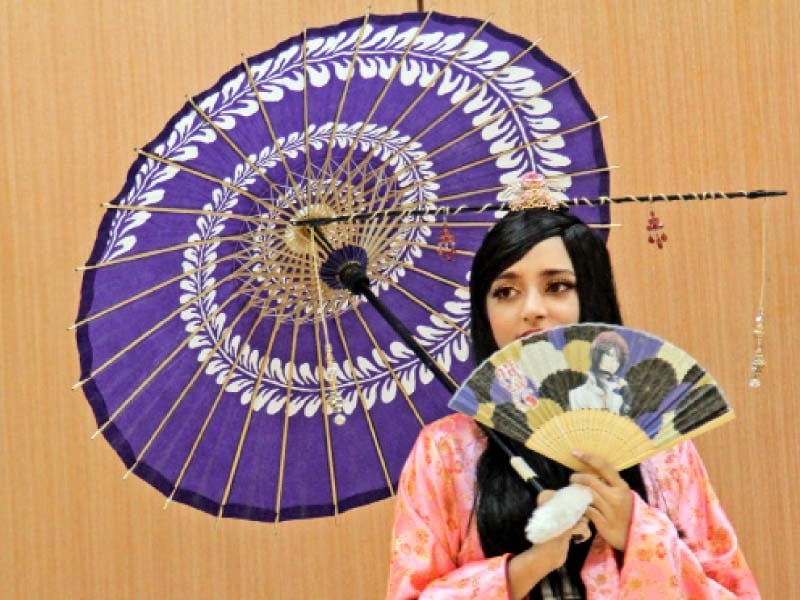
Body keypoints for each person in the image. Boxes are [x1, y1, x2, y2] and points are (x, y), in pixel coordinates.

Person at [386, 209, 759, 599]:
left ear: (592, 296)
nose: (531, 309)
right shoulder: (445, 453)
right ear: (484, 311)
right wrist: (531, 563)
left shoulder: (662, 449)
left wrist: (635, 531)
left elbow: (735, 593)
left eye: (557, 286)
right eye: (505, 292)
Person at [568, 331, 632, 415]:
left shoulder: (617, 400)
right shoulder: (577, 394)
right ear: (598, 354)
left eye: (618, 360)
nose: (613, 362)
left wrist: (627, 395)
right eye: (609, 354)